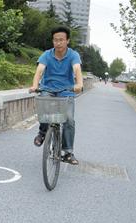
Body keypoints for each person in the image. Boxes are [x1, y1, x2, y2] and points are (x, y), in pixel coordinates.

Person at [29, 26, 83, 165]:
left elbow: (77, 69)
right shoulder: (47, 54)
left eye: (61, 40)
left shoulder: (73, 55)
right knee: (44, 110)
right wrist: (35, 85)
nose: (58, 43)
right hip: (48, 89)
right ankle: (42, 133)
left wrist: (79, 84)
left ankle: (68, 152)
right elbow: (39, 71)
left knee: (69, 119)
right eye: (55, 40)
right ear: (53, 41)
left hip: (66, 91)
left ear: (67, 41)